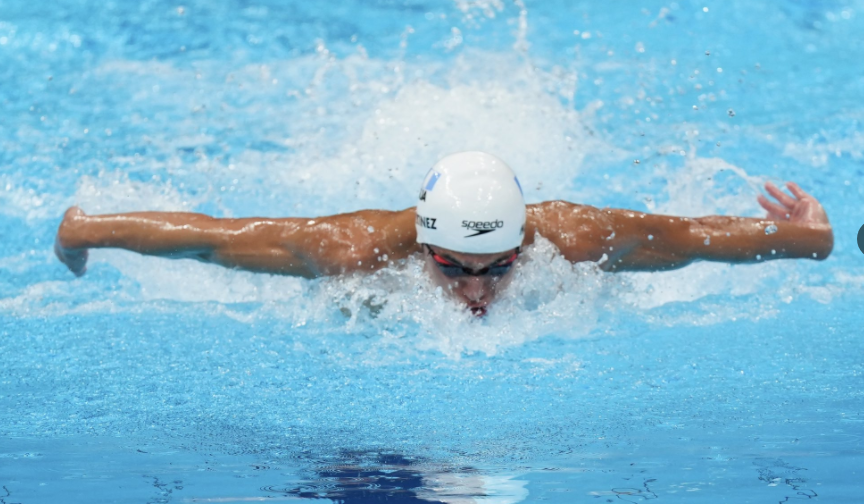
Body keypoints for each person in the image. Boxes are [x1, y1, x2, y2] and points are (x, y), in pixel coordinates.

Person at [54, 151, 833, 315]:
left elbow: (697, 236)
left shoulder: (575, 238)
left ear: (524, 244)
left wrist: (808, 238)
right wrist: (84, 229)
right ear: (421, 244)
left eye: (497, 268)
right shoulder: (354, 250)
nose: (473, 290)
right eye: (453, 266)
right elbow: (212, 238)